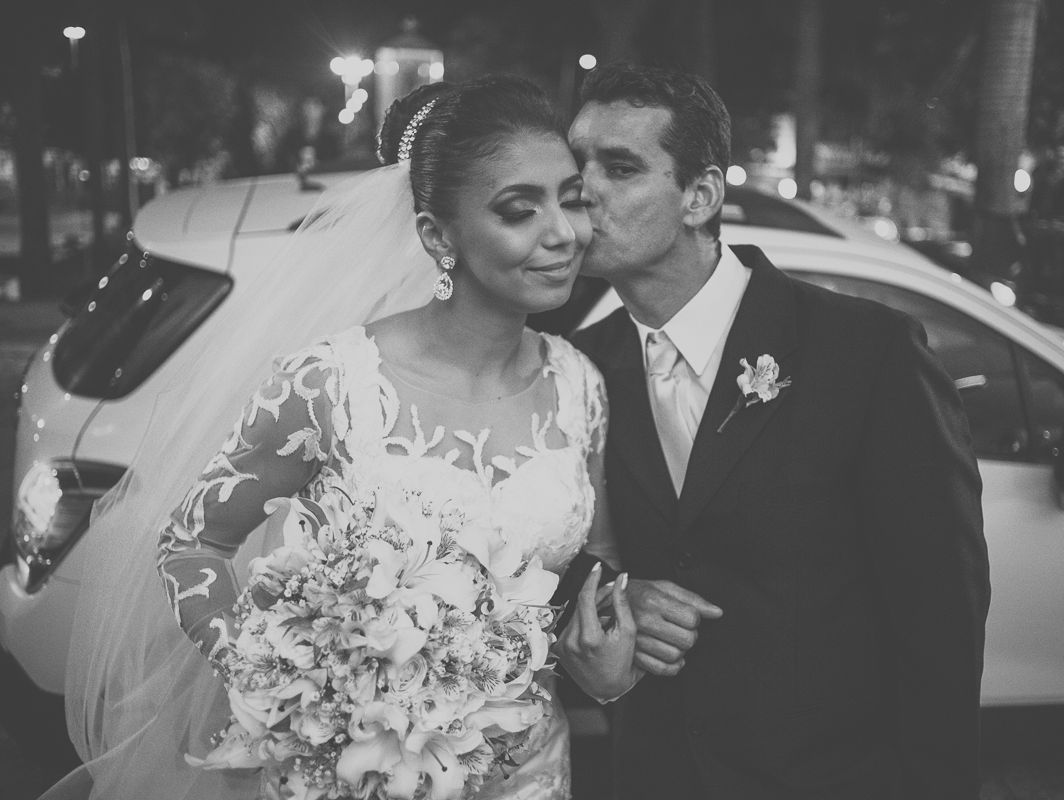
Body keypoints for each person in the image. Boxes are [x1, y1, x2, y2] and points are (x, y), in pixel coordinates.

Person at [46, 75, 636, 800]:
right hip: (357, 773)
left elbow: (593, 569)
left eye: (572, 200)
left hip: (529, 774)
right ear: (437, 237)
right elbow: (190, 545)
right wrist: (285, 684)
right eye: (520, 210)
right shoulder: (331, 384)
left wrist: (603, 659)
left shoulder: (578, 386)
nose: (564, 233)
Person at [563, 64, 990, 799]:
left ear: (700, 196)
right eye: (578, 166)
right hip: (659, 773)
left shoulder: (868, 352)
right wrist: (611, 597)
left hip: (832, 777)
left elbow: (940, 614)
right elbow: (551, 555)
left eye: (620, 168)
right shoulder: (580, 369)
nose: (584, 191)